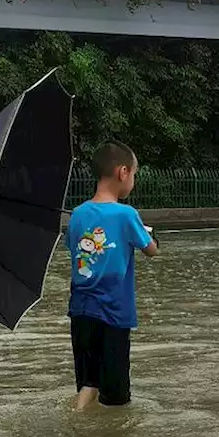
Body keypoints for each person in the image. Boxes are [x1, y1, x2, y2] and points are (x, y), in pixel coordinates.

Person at [66, 141, 158, 410]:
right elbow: (151, 251)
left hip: (81, 311)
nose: (134, 180)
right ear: (123, 172)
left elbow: (74, 249)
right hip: (114, 314)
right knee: (116, 399)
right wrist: (148, 234)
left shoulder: (78, 215)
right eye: (134, 174)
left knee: (88, 383)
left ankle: (77, 418)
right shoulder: (127, 215)